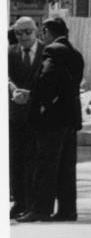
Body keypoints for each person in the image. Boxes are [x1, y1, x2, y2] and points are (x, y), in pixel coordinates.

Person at [19, 17, 84, 223]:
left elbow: (46, 78)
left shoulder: (52, 51)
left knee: (46, 165)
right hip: (70, 116)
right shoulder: (75, 54)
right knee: (66, 166)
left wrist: (38, 99)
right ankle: (67, 210)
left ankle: (41, 209)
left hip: (52, 119)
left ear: (48, 31)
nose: (42, 36)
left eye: (43, 32)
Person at [8, 17, 44, 219]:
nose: (23, 37)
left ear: (36, 31)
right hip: (16, 115)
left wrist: (31, 94)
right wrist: (13, 90)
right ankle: (19, 201)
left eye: (27, 32)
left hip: (38, 115)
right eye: (18, 33)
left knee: (36, 161)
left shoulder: (46, 51)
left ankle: (33, 202)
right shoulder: (10, 52)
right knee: (16, 160)